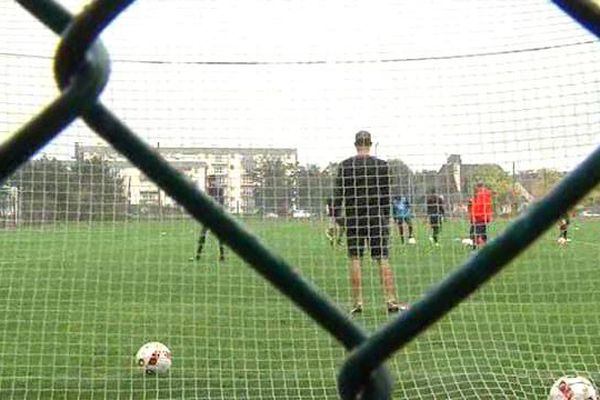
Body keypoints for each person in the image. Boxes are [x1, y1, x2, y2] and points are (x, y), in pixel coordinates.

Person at [333, 130, 407, 315]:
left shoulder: (345, 165)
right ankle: (390, 301)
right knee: (382, 258)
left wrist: (335, 217)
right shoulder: (382, 166)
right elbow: (385, 194)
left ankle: (357, 302)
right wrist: (387, 216)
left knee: (355, 258)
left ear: (355, 144)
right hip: (376, 217)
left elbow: (338, 194)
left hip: (353, 217)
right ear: (370, 143)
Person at [194, 175, 226, 261]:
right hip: (211, 216)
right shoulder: (211, 190)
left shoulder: (217, 190)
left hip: (214, 216)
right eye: (209, 181)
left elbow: (220, 203)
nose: (209, 182)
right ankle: (198, 255)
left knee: (216, 236)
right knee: (204, 235)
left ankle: (221, 255)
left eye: (211, 180)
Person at [470, 182, 493, 249]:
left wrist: (473, 216)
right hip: (484, 217)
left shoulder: (480, 195)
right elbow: (489, 206)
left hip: (479, 216)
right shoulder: (487, 194)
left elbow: (477, 206)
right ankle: (482, 244)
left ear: (479, 187)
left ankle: (477, 245)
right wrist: (489, 216)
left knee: (476, 232)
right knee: (482, 231)